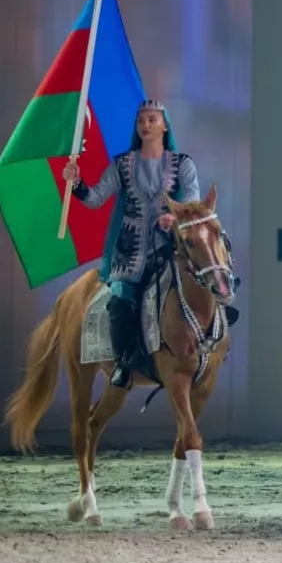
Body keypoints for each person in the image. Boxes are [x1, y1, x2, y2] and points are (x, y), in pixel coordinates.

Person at [62, 100, 201, 388]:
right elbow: (96, 198)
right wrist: (77, 183)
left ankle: (209, 343)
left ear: (164, 125)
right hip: (130, 252)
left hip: (167, 249)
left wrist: (173, 217)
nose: (145, 125)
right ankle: (124, 363)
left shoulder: (182, 164)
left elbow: (192, 202)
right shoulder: (123, 165)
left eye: (152, 119)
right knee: (120, 301)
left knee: (199, 281)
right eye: (141, 120)